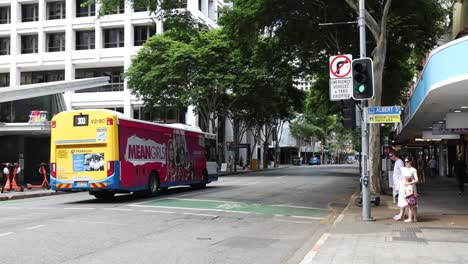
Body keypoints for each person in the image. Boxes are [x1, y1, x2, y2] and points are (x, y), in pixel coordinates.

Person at [395, 157, 419, 221]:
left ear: (410, 162)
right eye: (405, 162)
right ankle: (405, 216)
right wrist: (398, 185)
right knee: (404, 202)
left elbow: (416, 180)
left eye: (407, 161)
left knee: (412, 202)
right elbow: (401, 178)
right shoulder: (403, 169)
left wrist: (409, 183)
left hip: (410, 187)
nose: (406, 163)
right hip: (403, 187)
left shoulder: (413, 169)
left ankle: (414, 218)